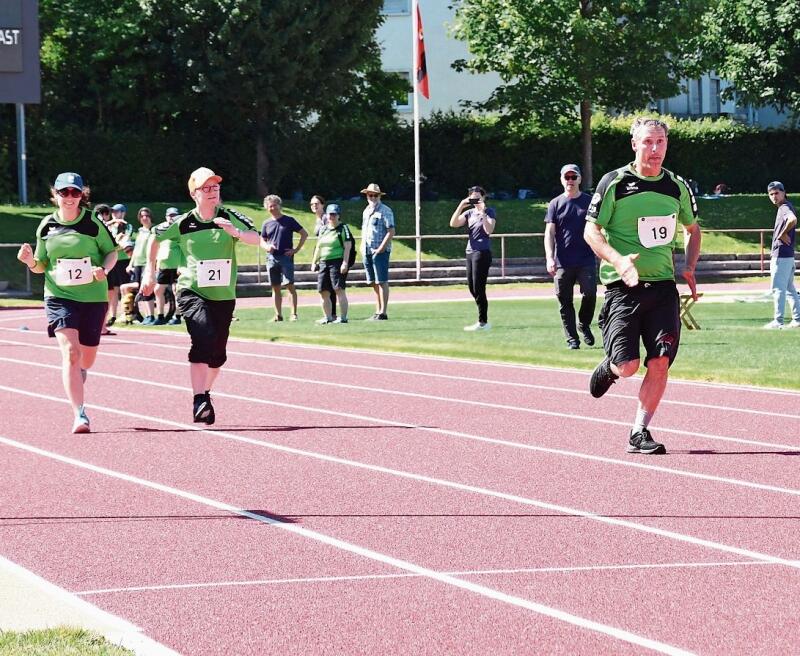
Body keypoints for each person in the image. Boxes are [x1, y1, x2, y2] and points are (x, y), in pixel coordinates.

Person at [584, 117, 702, 455]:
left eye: (660, 142)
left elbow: (693, 229)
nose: (654, 150)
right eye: (648, 142)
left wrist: (690, 266)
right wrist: (618, 260)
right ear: (634, 144)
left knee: (660, 362)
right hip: (623, 288)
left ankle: (639, 431)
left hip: (663, 287)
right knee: (628, 366)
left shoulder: (677, 186)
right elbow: (590, 231)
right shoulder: (615, 182)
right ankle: (610, 366)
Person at [141, 167, 260, 424]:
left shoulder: (229, 216)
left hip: (223, 295)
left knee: (218, 354)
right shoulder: (182, 222)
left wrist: (235, 233)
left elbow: (256, 238)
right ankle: (198, 399)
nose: (212, 191)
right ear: (194, 193)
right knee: (203, 335)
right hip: (192, 290)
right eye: (206, 188)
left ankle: (204, 393)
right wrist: (148, 273)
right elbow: (155, 237)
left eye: (215, 187)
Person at [16, 172, 118, 433]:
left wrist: (103, 271)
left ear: (82, 195)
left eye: (75, 192)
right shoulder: (46, 226)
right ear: (55, 195)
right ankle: (79, 414)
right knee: (70, 353)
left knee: (87, 357)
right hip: (59, 295)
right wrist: (29, 260)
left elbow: (111, 252)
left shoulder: (94, 222)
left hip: (93, 297)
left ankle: (82, 370)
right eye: (64, 193)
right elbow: (40, 265)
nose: (70, 197)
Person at [544, 164, 597, 349]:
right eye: (567, 177)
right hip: (563, 262)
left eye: (574, 177)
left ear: (580, 179)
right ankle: (572, 339)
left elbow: (600, 228)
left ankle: (584, 324)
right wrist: (550, 258)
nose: (570, 181)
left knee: (590, 294)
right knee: (564, 301)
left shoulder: (590, 202)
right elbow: (549, 233)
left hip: (586, 259)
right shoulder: (555, 204)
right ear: (561, 179)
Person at [449, 185, 496, 331]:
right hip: (470, 252)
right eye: (473, 198)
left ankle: (483, 322)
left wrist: (482, 212)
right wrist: (461, 205)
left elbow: (489, 230)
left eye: (478, 197)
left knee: (479, 287)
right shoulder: (469, 213)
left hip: (482, 253)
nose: (476, 200)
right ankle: (482, 319)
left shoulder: (489, 211)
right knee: (472, 287)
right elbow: (453, 224)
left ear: (483, 197)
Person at [260, 194, 308, 322]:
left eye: (274, 205)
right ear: (266, 208)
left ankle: (293, 314)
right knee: (275, 287)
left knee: (289, 285)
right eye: (270, 206)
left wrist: (295, 250)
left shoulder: (289, 220)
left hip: (286, 257)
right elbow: (262, 240)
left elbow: (304, 233)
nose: (272, 208)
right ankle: (278, 315)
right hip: (271, 258)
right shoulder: (266, 223)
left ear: (279, 206)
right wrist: (267, 247)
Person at [763, 181, 800, 329]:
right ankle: (797, 319)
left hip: (781, 256)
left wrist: (783, 233)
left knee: (778, 288)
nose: (774, 196)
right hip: (788, 256)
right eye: (771, 194)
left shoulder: (784, 207)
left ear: (784, 193)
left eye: (777, 193)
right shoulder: (784, 207)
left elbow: (792, 220)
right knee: (790, 289)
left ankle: (778, 321)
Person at [311, 204, 352, 324]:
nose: (331, 217)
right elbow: (318, 246)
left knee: (339, 289)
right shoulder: (323, 229)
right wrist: (314, 261)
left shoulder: (343, 228)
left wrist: (345, 263)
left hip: (337, 261)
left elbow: (347, 247)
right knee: (323, 290)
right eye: (330, 214)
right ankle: (327, 317)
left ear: (338, 215)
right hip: (324, 262)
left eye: (334, 214)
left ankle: (343, 317)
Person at [360, 183, 395, 320]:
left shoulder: (385, 211)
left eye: (375, 195)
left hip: (380, 251)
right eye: (370, 195)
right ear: (367, 196)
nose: (373, 197)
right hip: (367, 249)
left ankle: (383, 312)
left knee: (382, 281)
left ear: (379, 196)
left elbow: (391, 231)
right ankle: (377, 310)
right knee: (373, 282)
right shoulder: (366, 211)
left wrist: (381, 248)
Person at [120, 207, 156, 324]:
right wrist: (131, 264)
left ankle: (150, 315)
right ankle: (133, 314)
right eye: (142, 216)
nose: (144, 218)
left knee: (145, 288)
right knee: (135, 288)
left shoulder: (154, 230)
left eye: (146, 215)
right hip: (138, 264)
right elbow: (136, 250)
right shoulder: (140, 231)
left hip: (147, 264)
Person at [104, 203, 133, 326]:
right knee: (113, 289)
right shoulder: (109, 226)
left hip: (122, 260)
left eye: (117, 212)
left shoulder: (127, 226)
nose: (114, 214)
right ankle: (113, 315)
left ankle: (126, 313)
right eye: (113, 212)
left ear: (123, 213)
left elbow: (124, 240)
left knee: (124, 287)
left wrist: (116, 241)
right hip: (112, 260)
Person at [153, 207, 183, 325]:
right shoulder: (161, 229)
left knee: (177, 290)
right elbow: (158, 247)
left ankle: (177, 316)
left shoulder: (180, 230)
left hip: (176, 265)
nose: (171, 217)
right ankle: (160, 316)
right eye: (169, 215)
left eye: (174, 215)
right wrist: (156, 264)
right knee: (158, 290)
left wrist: (181, 265)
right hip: (164, 265)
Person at [310, 194, 336, 320]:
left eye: (317, 204)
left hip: (330, 254)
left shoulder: (326, 218)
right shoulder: (318, 219)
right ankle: (329, 313)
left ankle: (333, 313)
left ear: (322, 205)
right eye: (312, 204)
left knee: (330, 286)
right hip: (321, 254)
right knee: (325, 286)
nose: (314, 206)